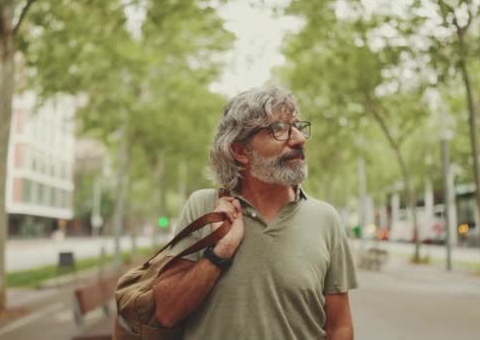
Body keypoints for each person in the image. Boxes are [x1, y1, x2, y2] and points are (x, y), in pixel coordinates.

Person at [153, 86, 358, 339]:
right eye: (279, 129)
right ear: (240, 152)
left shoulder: (326, 219)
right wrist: (220, 253)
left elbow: (339, 326)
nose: (299, 139)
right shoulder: (204, 207)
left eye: (297, 127)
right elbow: (167, 312)